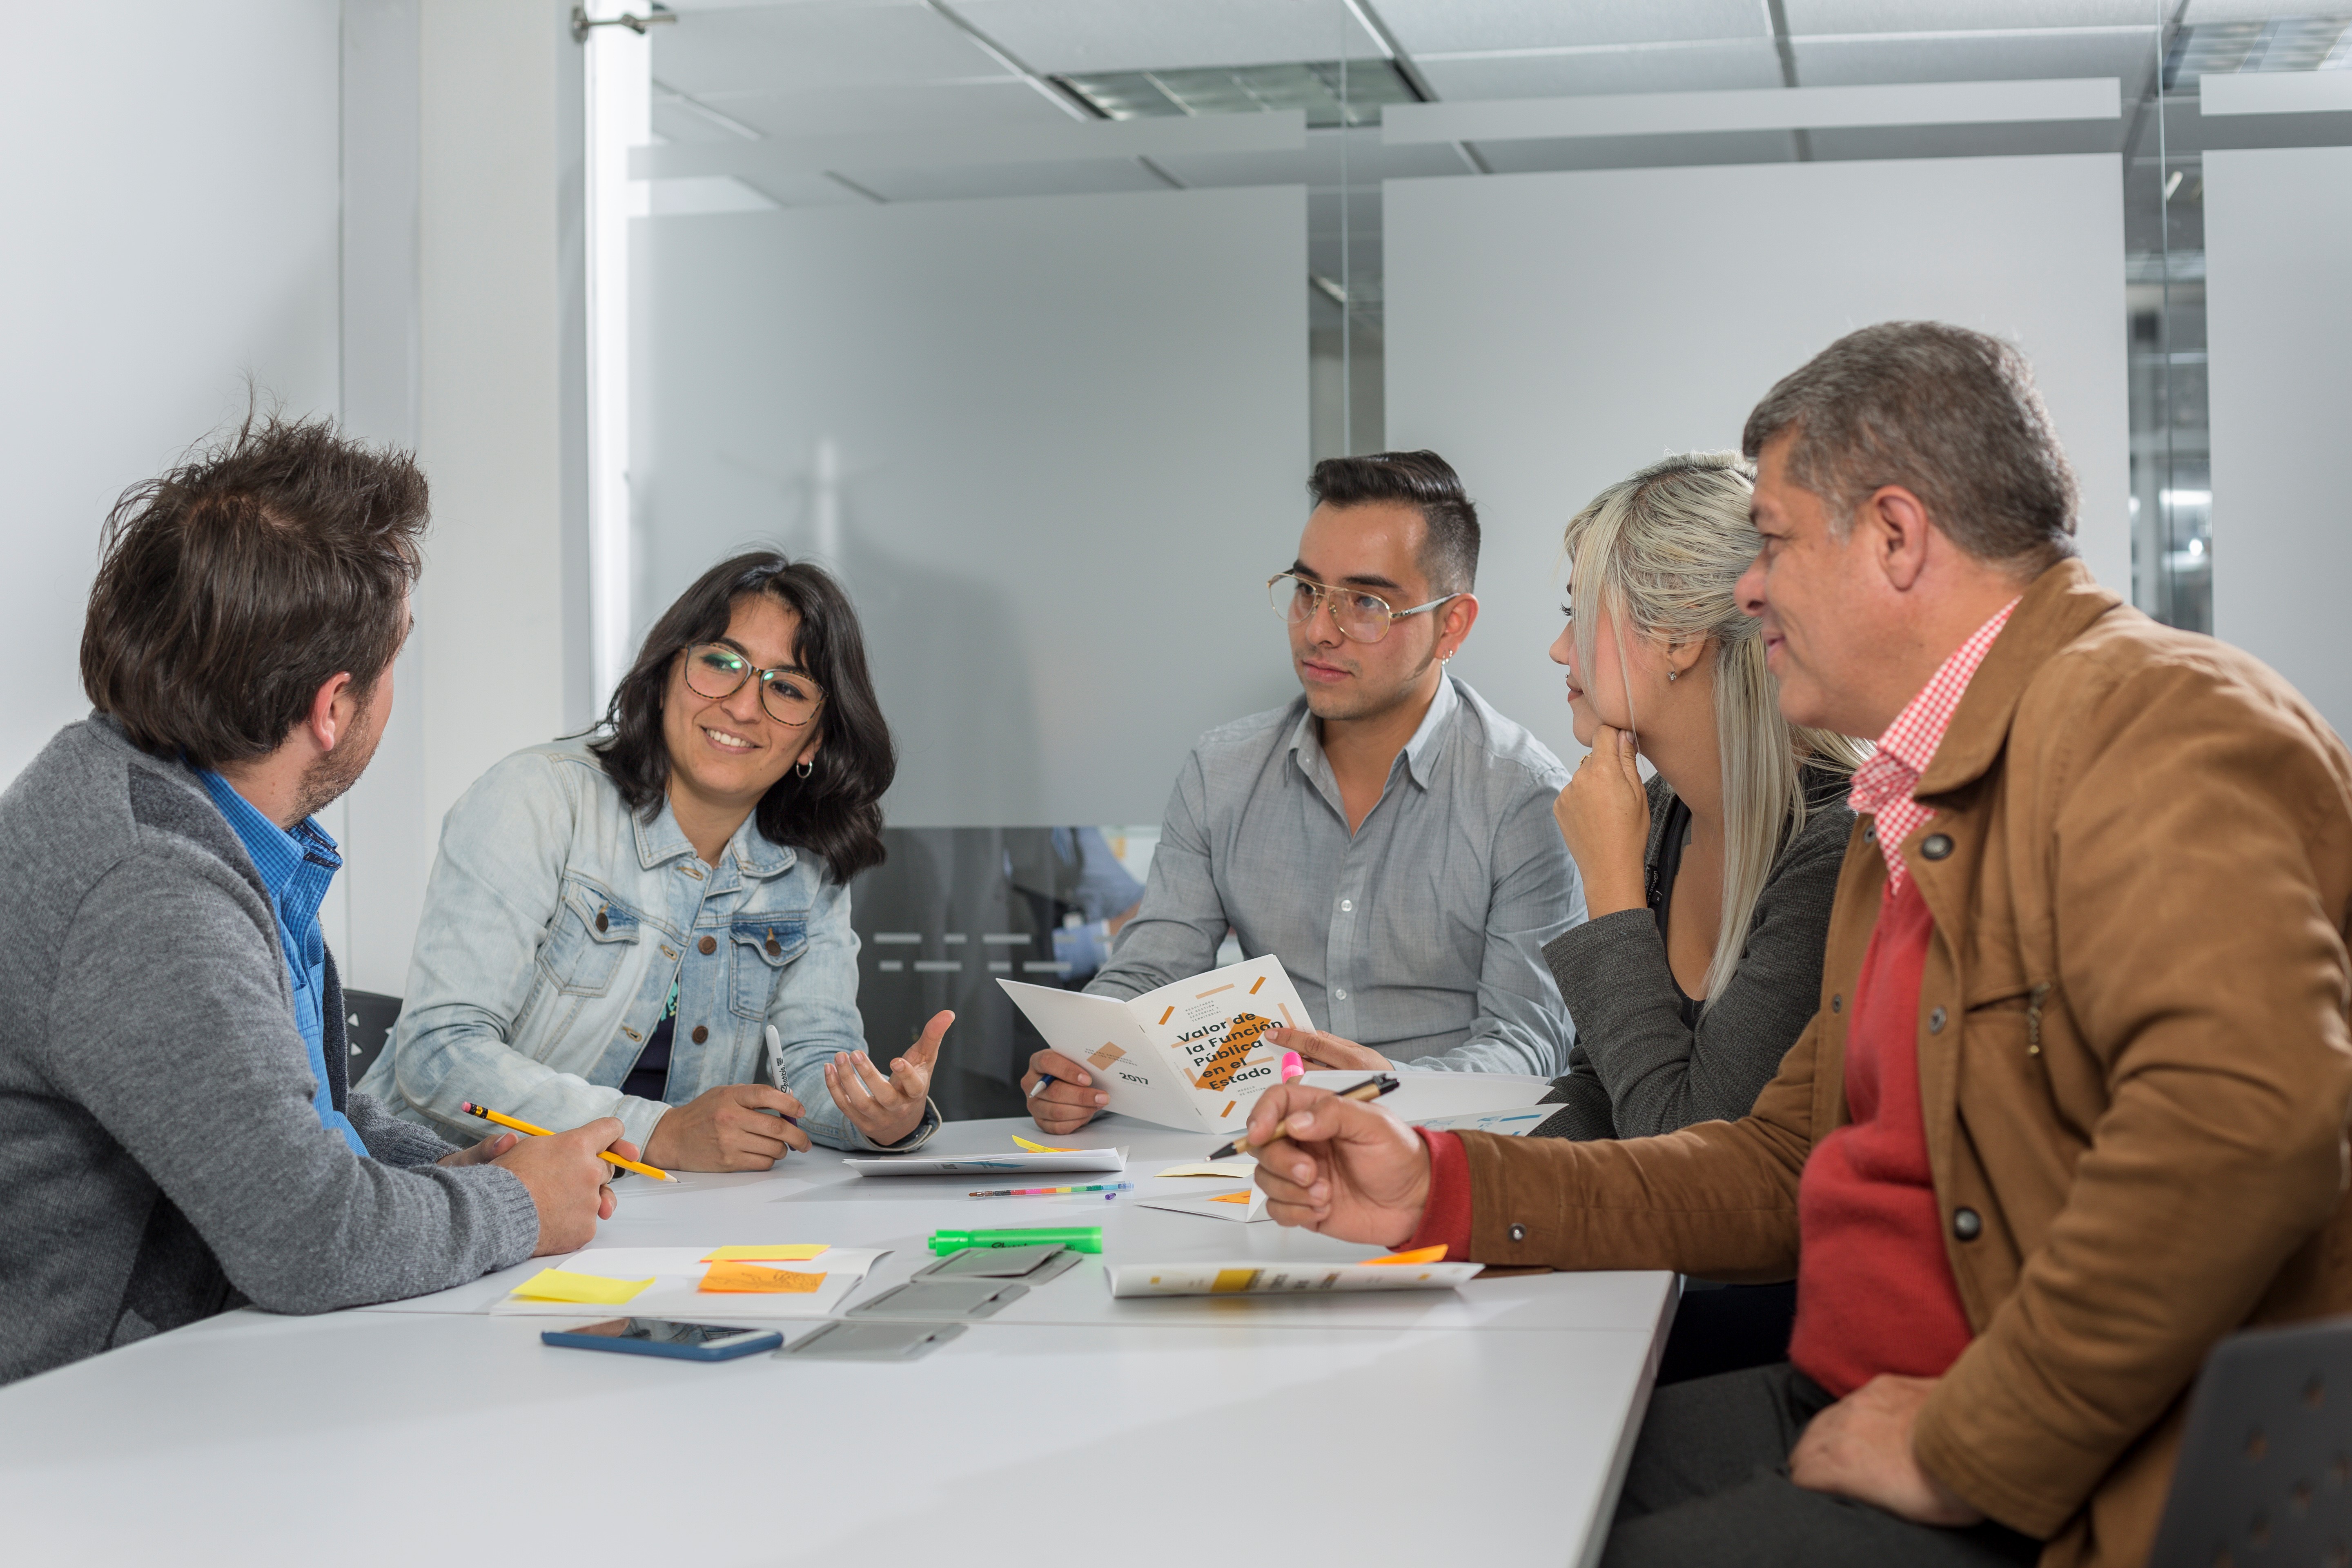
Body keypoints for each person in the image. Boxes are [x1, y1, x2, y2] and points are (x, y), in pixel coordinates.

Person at [1237, 322, 2352, 1568]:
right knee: (1436, 1489)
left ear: (1895, 535)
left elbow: (2244, 1124)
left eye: (1770, 540)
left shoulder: (2155, 724)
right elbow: (1777, 1167)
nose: (1748, 588)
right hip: (1848, 1399)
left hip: (2043, 1477)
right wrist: (1437, 1184)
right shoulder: (1916, 810)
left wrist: (1966, 1446)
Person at [0, 414, 632, 1387]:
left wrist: (455, 1170)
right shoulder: (150, 892)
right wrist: (517, 1208)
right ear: (332, 707)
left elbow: (291, 1123)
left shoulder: (193, 810)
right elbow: (311, 1236)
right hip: (96, 1425)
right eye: (397, 655)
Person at [1024, 451, 1581, 1134]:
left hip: (1446, 1163)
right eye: (1307, 590)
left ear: (1452, 625)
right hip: (1250, 1155)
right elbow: (1147, 981)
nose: (1319, 629)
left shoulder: (1523, 796)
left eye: (1366, 604)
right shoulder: (1221, 772)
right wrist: (1080, 1063)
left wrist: (1379, 1095)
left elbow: (1528, 1049)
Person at [363, 552, 949, 1170]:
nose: (744, 707)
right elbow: (441, 1051)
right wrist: (658, 1131)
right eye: (722, 663)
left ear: (816, 737)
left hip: (638, 1214)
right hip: (436, 1194)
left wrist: (879, 1117)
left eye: (787, 688)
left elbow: (813, 1067)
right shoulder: (535, 799)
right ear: (668, 671)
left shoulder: (808, 867)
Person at [1536, 452, 1864, 1144]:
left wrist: (1614, 896)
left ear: (1679, 638)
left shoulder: (1834, 853)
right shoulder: (1660, 811)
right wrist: (1443, 1151)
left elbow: (1684, 1140)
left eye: (1581, 613)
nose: (1559, 649)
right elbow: (1604, 1086)